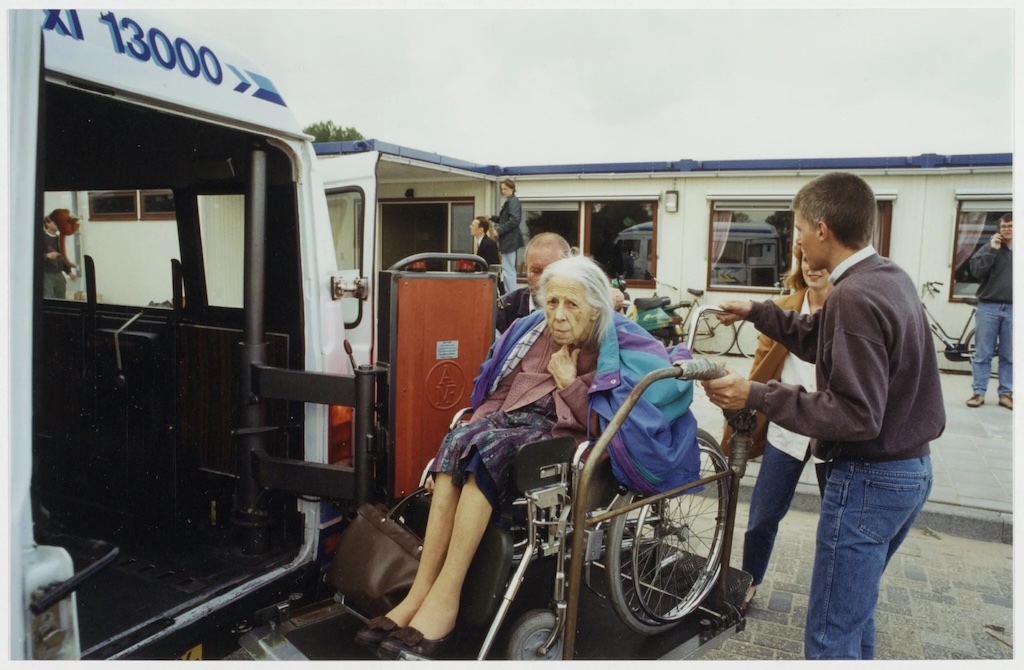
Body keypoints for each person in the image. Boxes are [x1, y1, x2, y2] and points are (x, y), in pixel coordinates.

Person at [360, 254, 701, 660]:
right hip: (515, 422)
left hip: (565, 433)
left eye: (571, 305)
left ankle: (445, 600)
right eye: (551, 302)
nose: (557, 316)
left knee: (488, 450)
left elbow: (613, 426)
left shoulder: (621, 343)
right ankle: (418, 594)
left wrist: (571, 384)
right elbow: (498, 395)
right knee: (461, 439)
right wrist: (450, 450)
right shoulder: (531, 332)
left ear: (595, 307)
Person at [701, 172, 944, 660]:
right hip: (909, 472)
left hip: (869, 480)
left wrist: (755, 394)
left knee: (830, 636)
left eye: (797, 230)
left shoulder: (853, 296)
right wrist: (756, 309)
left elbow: (855, 414)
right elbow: (821, 337)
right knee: (855, 617)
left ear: (822, 229)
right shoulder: (887, 276)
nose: (795, 241)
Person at [721, 244, 831, 617]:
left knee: (837, 527)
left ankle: (835, 595)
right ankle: (750, 581)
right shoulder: (784, 307)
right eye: (805, 260)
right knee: (763, 515)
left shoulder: (849, 308)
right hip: (787, 428)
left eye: (820, 262)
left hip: (833, 432)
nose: (813, 268)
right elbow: (762, 366)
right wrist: (743, 409)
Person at [966, 212, 1012, 410]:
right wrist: (992, 250)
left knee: (1010, 355)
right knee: (982, 353)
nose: (1007, 229)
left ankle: (1006, 394)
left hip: (1014, 308)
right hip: (988, 306)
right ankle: (978, 393)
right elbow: (976, 272)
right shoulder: (988, 248)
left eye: (1011, 226)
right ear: (999, 229)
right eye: (1004, 227)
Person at [495, 232, 571, 333]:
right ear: (526, 270)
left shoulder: (583, 310)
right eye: (536, 271)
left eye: (551, 272)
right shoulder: (505, 309)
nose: (543, 280)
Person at [490, 178, 524, 294]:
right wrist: (492, 218)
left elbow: (514, 220)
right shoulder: (511, 201)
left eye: (505, 188)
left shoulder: (513, 201)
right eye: (502, 189)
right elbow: (505, 219)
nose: (503, 191)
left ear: (512, 188)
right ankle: (511, 293)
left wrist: (499, 231)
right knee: (508, 268)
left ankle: (512, 294)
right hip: (509, 240)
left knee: (508, 268)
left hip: (509, 240)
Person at [42, 210, 77, 299]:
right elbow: (33, 257)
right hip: (46, 274)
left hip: (59, 274)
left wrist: (69, 272)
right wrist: (47, 256)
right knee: (49, 298)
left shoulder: (59, 238)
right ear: (48, 223)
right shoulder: (41, 237)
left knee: (61, 299)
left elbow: (62, 256)